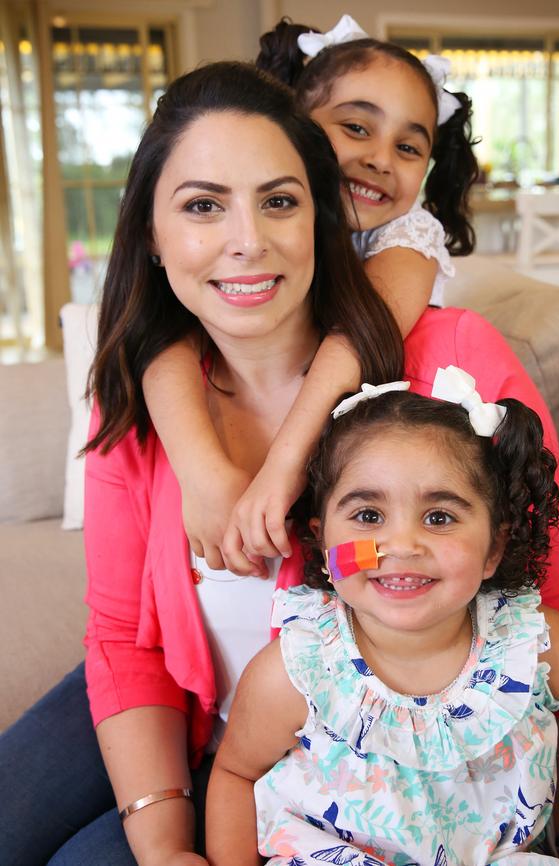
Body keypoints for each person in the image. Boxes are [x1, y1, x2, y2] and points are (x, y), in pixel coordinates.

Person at [0, 61, 403, 866]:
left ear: (319, 218)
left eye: (279, 201)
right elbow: (122, 636)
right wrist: (160, 840)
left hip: (317, 762)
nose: (247, 241)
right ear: (152, 234)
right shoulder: (144, 398)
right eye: (203, 206)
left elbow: (546, 611)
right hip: (166, 701)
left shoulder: (431, 370)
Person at [206, 378, 559, 865]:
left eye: (438, 518)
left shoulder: (533, 642)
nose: (402, 546)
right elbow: (234, 775)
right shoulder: (297, 670)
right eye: (369, 515)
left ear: (494, 549)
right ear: (323, 542)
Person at [141, 14, 479, 573]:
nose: (380, 159)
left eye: (409, 147)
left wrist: (283, 466)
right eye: (355, 128)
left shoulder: (406, 236)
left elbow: (357, 335)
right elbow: (163, 338)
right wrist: (201, 472)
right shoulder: (248, 250)